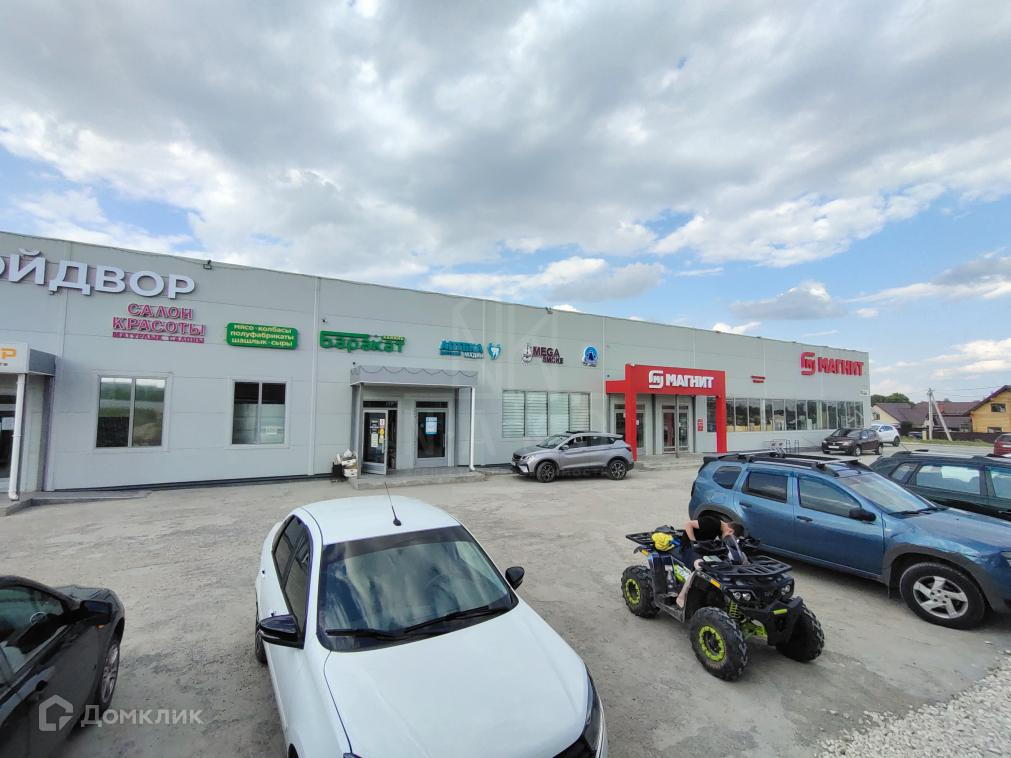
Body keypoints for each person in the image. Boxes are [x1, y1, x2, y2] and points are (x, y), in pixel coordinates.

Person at [674, 516, 746, 611]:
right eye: (730, 537)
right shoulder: (712, 522)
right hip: (689, 548)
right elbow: (688, 524)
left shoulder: (720, 529)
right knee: (700, 567)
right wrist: (693, 541)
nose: (728, 538)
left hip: (703, 549)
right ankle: (682, 596)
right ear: (730, 531)